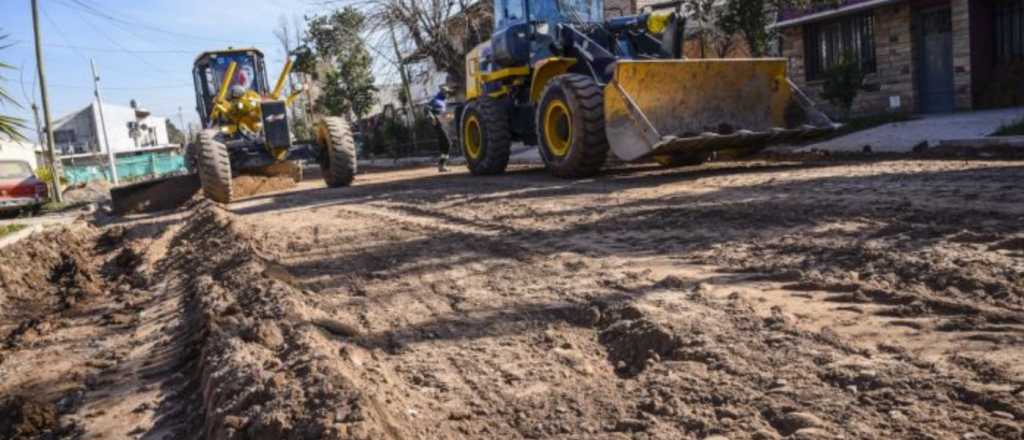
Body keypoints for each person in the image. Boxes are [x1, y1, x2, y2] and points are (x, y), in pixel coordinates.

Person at [428, 86, 451, 172]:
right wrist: (432, 118)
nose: (448, 94)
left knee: (444, 144)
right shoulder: (435, 100)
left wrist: (448, 117)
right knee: (448, 143)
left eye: (448, 93)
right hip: (438, 124)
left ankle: (441, 165)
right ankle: (442, 164)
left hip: (442, 124)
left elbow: (441, 112)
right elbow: (426, 109)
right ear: (442, 92)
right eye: (446, 92)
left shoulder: (443, 102)